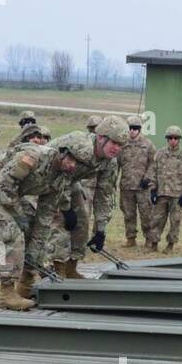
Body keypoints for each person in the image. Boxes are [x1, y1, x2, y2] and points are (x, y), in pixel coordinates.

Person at [0, 141, 80, 310]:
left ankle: (25, 285)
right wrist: (18, 214)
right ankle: (5, 292)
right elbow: (5, 183)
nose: (73, 166)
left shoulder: (60, 179)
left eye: (77, 164)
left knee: (32, 231)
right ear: (63, 153)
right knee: (9, 234)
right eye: (71, 160)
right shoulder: (33, 156)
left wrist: (34, 252)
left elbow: (44, 218)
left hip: (12, 195)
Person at [49, 115, 127, 276]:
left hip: (69, 181)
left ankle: (71, 269)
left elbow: (104, 194)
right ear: (100, 138)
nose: (116, 148)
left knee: (82, 220)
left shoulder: (110, 161)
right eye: (114, 142)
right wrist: (65, 208)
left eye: (120, 145)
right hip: (46, 179)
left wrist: (100, 230)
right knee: (62, 221)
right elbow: (58, 176)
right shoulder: (81, 145)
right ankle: (58, 269)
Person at [147, 125, 182, 252]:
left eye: (176, 138)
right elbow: (153, 173)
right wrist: (153, 190)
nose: (173, 140)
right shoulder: (159, 154)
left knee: (175, 221)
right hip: (162, 193)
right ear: (167, 139)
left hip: (177, 195)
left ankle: (170, 245)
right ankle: (154, 243)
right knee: (156, 219)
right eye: (170, 138)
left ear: (179, 139)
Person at [117, 114, 156, 247]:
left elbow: (153, 163)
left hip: (143, 187)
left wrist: (147, 178)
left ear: (139, 129)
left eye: (135, 128)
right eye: (130, 128)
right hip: (126, 186)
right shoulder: (122, 144)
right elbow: (116, 164)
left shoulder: (148, 144)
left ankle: (149, 239)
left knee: (146, 214)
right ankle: (131, 238)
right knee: (128, 214)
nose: (132, 131)